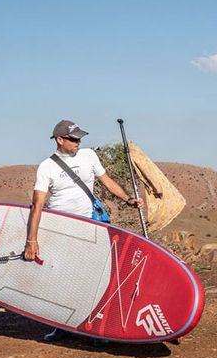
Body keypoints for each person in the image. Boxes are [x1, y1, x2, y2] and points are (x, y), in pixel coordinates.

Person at [24, 119, 144, 343]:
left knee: (92, 277)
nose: (78, 142)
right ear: (59, 140)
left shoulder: (89, 156)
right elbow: (38, 205)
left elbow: (106, 180)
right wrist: (32, 240)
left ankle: (94, 328)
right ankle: (61, 325)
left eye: (79, 138)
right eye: (73, 138)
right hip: (60, 228)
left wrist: (128, 199)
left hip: (89, 224)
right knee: (60, 277)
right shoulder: (47, 167)